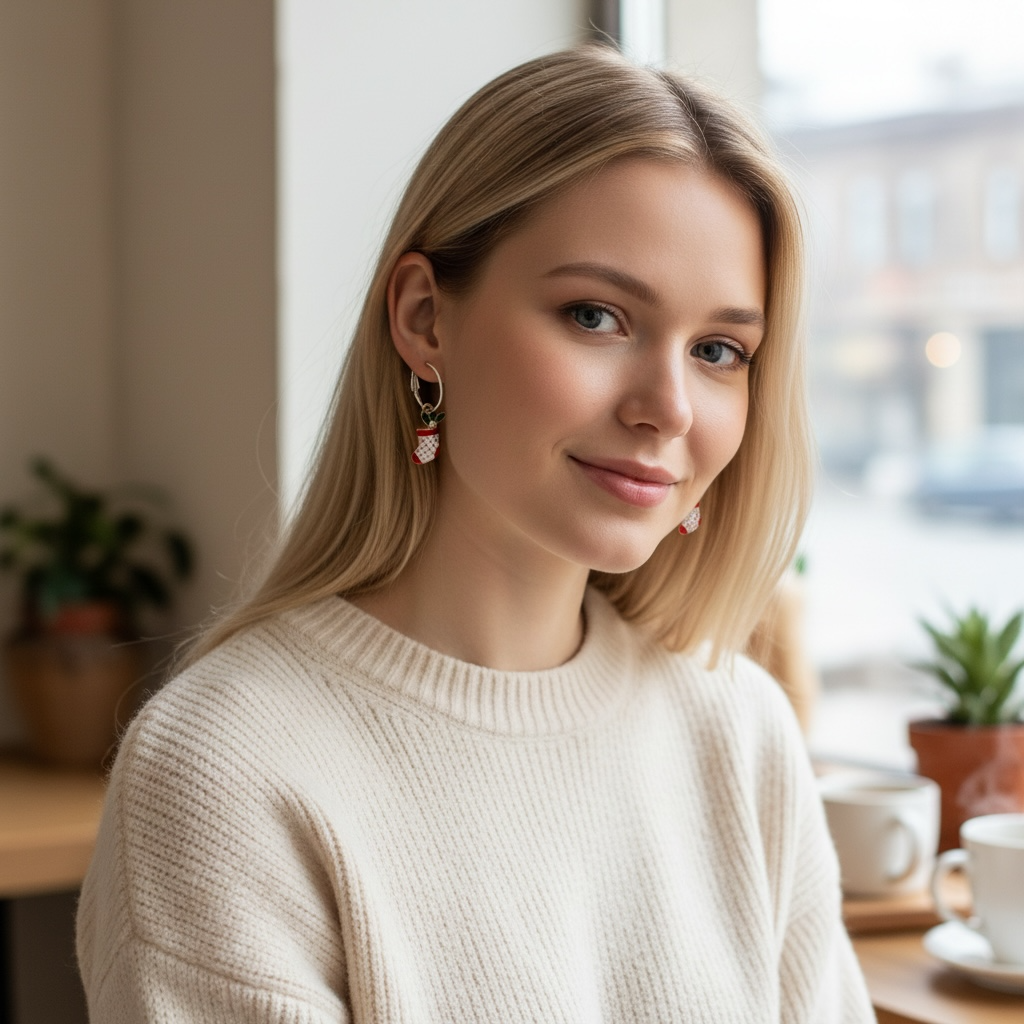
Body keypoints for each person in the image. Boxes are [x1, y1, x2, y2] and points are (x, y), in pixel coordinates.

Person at [76, 45, 874, 1023]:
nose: (668, 407)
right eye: (596, 316)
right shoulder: (223, 772)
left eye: (718, 350)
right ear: (424, 319)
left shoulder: (741, 734)